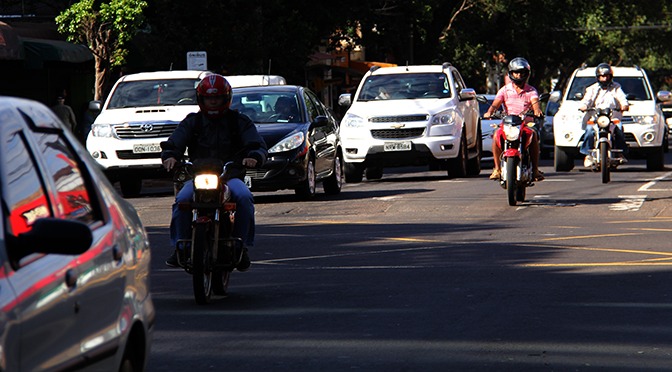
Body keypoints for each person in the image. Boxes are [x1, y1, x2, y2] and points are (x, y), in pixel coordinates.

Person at [161, 74, 268, 270]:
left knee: (244, 198)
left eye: (216, 98)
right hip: (197, 176)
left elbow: (257, 144)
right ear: (201, 99)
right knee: (182, 201)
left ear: (226, 98)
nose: (213, 102)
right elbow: (175, 141)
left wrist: (254, 156)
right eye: (209, 98)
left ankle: (242, 247)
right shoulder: (192, 121)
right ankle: (181, 247)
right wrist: (170, 156)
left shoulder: (239, 121)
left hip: (230, 176)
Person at [483, 57, 544, 181]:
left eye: (521, 72)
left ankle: (536, 170)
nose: (518, 75)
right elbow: (495, 104)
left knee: (533, 135)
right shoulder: (505, 90)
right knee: (496, 135)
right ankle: (497, 169)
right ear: (511, 73)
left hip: (525, 124)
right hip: (507, 124)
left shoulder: (531, 91)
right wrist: (489, 112)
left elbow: (535, 103)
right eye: (516, 72)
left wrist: (537, 111)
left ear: (526, 74)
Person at [578, 63, 629, 167]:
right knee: (589, 131)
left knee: (619, 130)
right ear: (598, 77)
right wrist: (583, 106)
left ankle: (620, 153)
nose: (604, 79)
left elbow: (622, 98)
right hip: (596, 118)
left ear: (610, 76)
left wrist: (624, 105)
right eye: (602, 76)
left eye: (606, 76)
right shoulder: (592, 89)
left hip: (612, 118)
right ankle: (588, 154)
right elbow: (586, 100)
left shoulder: (616, 87)